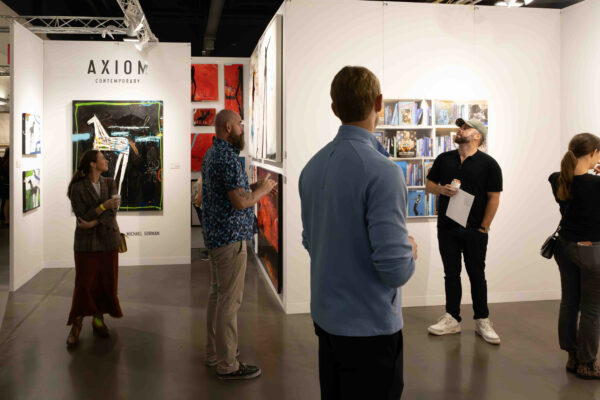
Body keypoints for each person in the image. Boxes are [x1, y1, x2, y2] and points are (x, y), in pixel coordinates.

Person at [299, 66, 417, 399]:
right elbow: (395, 270)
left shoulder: (313, 167)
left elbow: (312, 241)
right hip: (370, 329)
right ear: (379, 102)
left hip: (327, 320)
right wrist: (409, 249)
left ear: (335, 109)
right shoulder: (383, 172)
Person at [202, 109, 277, 380]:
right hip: (230, 240)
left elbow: (232, 191)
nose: (243, 129)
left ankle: (214, 354)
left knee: (217, 296)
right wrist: (263, 191)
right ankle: (228, 364)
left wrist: (256, 184)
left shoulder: (213, 154)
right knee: (229, 302)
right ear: (228, 127)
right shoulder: (227, 157)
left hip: (216, 237)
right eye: (239, 124)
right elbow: (241, 202)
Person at [425, 117, 502, 344]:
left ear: (477, 136)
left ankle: (482, 320)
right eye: (460, 127)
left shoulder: (489, 164)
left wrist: (484, 228)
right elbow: (429, 185)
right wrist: (440, 189)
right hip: (447, 227)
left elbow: (494, 198)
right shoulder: (444, 159)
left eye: (466, 128)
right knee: (451, 273)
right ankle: (452, 318)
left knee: (477, 274)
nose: (460, 130)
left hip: (474, 230)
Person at [549, 133, 600, 379]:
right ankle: (586, 363)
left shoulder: (558, 180)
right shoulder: (595, 184)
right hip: (592, 251)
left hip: (565, 247)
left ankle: (572, 357)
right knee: (591, 309)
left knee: (569, 302)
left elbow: (567, 182)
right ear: (593, 153)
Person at [66, 149, 123, 347]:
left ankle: (99, 321)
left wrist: (94, 222)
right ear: (92, 164)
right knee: (84, 284)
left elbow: (113, 211)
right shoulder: (77, 188)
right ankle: (77, 324)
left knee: (105, 282)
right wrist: (103, 206)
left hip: (108, 241)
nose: (106, 161)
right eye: (102, 159)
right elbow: (82, 215)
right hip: (86, 244)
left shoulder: (109, 183)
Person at [0, 147, 9, 225]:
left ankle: (4, 218)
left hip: (3, 185)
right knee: (7, 203)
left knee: (4, 202)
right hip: (8, 185)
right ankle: (6, 219)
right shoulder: (9, 163)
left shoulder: (2, 161)